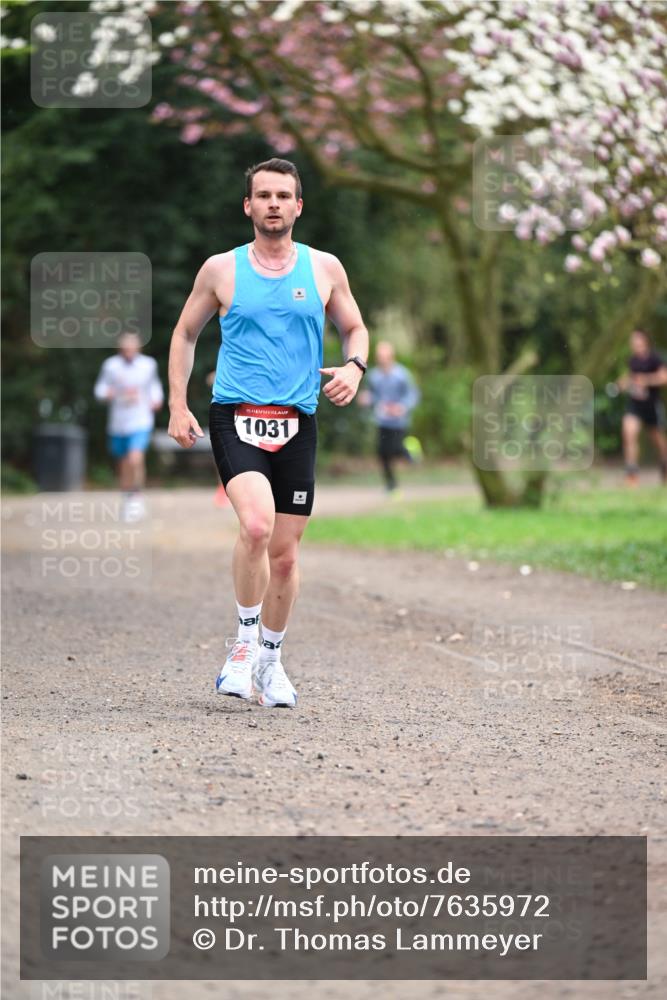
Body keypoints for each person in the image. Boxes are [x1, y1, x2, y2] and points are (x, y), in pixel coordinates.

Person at [167, 158, 369, 708]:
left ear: (298, 206)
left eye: (283, 195)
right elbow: (184, 334)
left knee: (284, 555)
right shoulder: (221, 270)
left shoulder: (324, 268)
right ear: (248, 206)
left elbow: (355, 326)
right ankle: (242, 645)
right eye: (264, 195)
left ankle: (271, 662)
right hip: (236, 415)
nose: (273, 204)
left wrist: (355, 367)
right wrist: (178, 405)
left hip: (298, 421)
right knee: (256, 526)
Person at [94, 332, 164, 521]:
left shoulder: (148, 365)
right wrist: (106, 394)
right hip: (119, 422)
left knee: (135, 458)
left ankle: (137, 497)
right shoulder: (110, 366)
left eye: (131, 348)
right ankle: (128, 499)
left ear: (138, 348)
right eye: (125, 348)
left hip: (141, 419)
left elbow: (154, 387)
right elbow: (99, 389)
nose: (128, 351)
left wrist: (156, 400)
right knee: (124, 464)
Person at [359, 340, 421, 493]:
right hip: (382, 420)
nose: (382, 359)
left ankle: (410, 450)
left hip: (399, 421)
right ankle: (391, 485)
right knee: (383, 454)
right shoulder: (374, 376)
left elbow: (413, 395)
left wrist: (402, 407)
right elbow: (373, 396)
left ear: (392, 356)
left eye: (384, 356)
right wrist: (367, 399)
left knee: (395, 450)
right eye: (379, 356)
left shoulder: (402, 375)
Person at [616, 329, 667, 486]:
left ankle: (664, 465)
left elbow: (664, 378)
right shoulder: (633, 360)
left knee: (658, 440)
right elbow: (632, 377)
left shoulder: (655, 358)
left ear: (645, 341)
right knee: (629, 433)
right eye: (632, 341)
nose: (634, 343)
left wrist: (646, 380)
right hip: (635, 405)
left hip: (652, 405)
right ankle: (632, 473)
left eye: (636, 340)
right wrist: (623, 383)